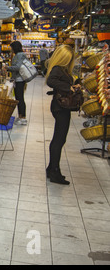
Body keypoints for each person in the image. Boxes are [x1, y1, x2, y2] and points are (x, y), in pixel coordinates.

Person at [45, 44, 80, 185]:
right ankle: (54, 171)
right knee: (59, 140)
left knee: (59, 139)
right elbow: (50, 81)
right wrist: (68, 87)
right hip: (60, 107)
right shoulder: (58, 69)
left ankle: (51, 168)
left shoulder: (61, 69)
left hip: (60, 106)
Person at [4, 41, 28, 125]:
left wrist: (7, 67)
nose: (11, 50)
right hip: (17, 79)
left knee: (20, 98)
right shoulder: (18, 55)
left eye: (11, 48)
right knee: (18, 98)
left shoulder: (20, 55)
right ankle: (20, 116)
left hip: (20, 80)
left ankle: (23, 118)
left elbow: (18, 67)